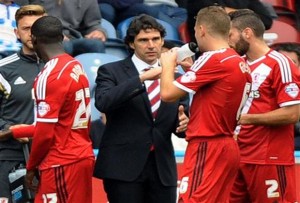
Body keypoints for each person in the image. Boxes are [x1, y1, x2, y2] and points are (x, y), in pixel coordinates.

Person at [93, 14, 190, 203]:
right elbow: (103, 102)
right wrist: (141, 79)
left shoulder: (176, 78)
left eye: (156, 39)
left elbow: (181, 126)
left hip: (162, 169)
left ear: (162, 41)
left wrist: (184, 124)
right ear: (131, 44)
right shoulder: (111, 71)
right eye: (143, 40)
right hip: (123, 168)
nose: (151, 45)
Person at [159, 6, 252, 202]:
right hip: (227, 144)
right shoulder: (238, 61)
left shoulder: (212, 58)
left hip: (207, 146)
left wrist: (167, 65)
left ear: (201, 29)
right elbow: (218, 91)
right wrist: (193, 70)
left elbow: (167, 94)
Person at [4, 15, 95, 202]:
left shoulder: (49, 75)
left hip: (60, 161)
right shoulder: (76, 65)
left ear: (34, 39)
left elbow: (45, 133)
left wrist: (31, 168)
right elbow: (63, 122)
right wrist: (16, 131)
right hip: (81, 156)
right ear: (61, 38)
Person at [228, 9, 300, 202]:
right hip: (237, 155)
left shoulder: (280, 64)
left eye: (231, 35)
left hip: (269, 158)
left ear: (247, 33)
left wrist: (246, 119)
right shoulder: (237, 64)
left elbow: (292, 114)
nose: (228, 42)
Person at [0, 4, 46, 203]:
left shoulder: (62, 66)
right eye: (26, 28)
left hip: (52, 158)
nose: (32, 33)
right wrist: (9, 129)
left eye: (38, 27)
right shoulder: (3, 69)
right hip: (11, 157)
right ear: (16, 33)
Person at [30, 0, 106, 56]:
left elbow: (93, 23)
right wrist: (54, 33)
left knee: (96, 44)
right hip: (47, 35)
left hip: (74, 37)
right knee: (64, 46)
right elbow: (32, 19)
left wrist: (98, 31)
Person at [186, 0, 274, 43]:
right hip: (213, 46)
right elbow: (213, 13)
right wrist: (247, 13)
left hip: (242, 47)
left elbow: (266, 21)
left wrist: (230, 11)